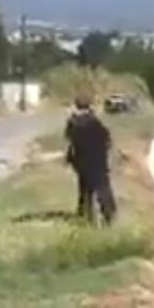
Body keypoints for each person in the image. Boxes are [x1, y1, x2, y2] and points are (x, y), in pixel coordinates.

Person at [64, 96, 117, 225]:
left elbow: (69, 139)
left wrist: (70, 159)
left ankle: (86, 215)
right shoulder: (95, 121)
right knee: (103, 186)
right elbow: (107, 139)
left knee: (85, 188)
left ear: (76, 106)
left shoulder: (73, 121)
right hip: (98, 158)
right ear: (89, 106)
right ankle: (108, 213)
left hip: (82, 160)